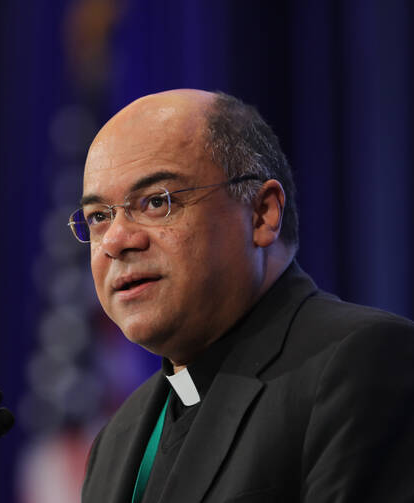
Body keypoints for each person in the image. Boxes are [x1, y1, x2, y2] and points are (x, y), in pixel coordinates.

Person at [70, 89, 414, 502]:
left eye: (156, 202)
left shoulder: (361, 363)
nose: (116, 240)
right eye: (99, 217)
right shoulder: (117, 439)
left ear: (262, 213)